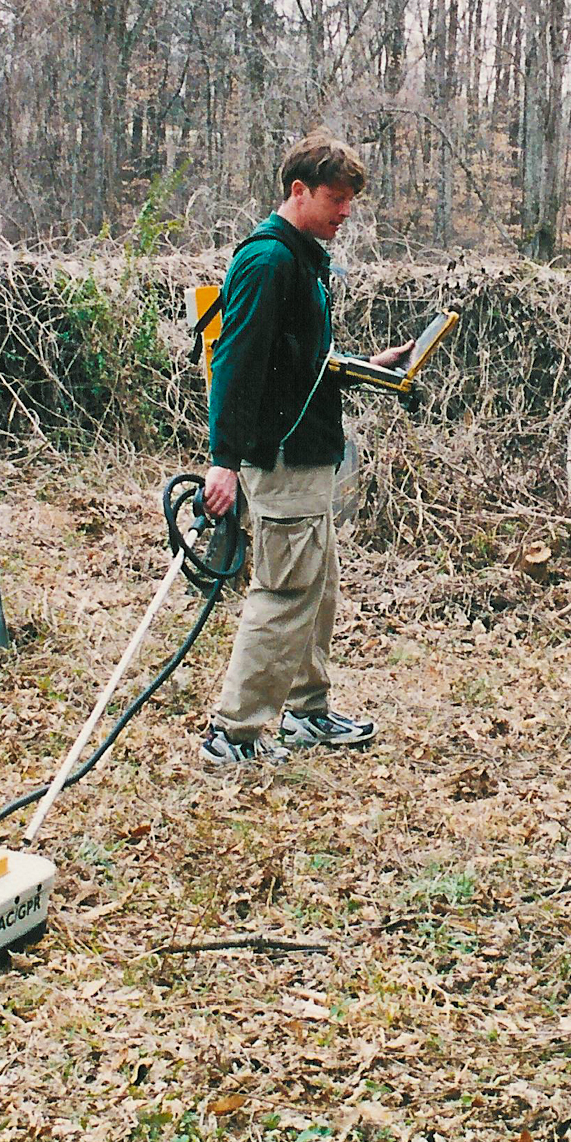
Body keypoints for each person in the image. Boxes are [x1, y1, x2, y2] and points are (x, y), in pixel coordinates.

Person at [197, 134, 413, 766]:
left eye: (351, 200)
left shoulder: (302, 257)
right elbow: (235, 365)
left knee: (317, 588)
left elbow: (297, 363)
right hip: (282, 455)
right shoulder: (267, 263)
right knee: (285, 591)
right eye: (336, 199)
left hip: (310, 452)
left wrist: (366, 366)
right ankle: (233, 733)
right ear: (299, 192)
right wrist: (225, 460)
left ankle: (307, 713)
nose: (346, 212)